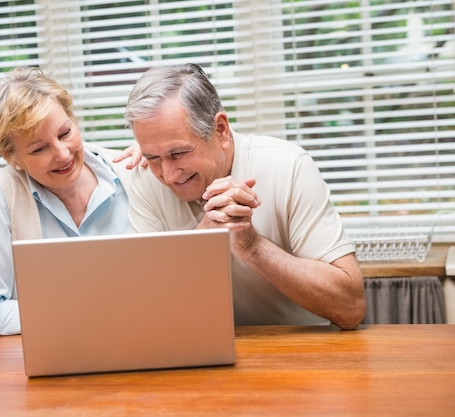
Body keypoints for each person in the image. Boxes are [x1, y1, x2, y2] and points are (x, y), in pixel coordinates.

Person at [118, 63, 366, 330]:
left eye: (178, 153)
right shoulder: (144, 178)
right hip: (200, 353)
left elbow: (350, 308)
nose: (167, 174)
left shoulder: (288, 165)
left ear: (221, 130)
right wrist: (201, 242)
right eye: (153, 157)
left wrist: (252, 247)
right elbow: (144, 311)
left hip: (304, 352)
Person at [0, 66, 134, 336]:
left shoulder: (130, 171)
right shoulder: (0, 194)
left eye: (65, 133)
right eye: (39, 149)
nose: (63, 155)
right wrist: (81, 315)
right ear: (12, 157)